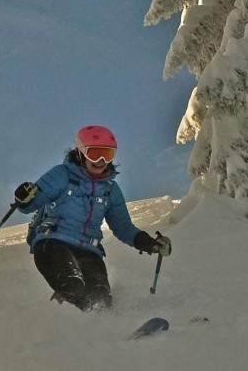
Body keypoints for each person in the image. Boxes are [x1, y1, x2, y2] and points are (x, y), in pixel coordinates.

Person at [14, 125, 172, 312]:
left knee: (100, 299)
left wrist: (148, 243)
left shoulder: (110, 190)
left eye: (107, 154)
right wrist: (24, 197)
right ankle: (55, 328)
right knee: (73, 286)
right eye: (95, 153)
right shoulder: (62, 175)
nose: (101, 160)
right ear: (80, 152)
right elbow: (30, 203)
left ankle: (96, 337)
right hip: (53, 243)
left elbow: (123, 227)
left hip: (89, 250)